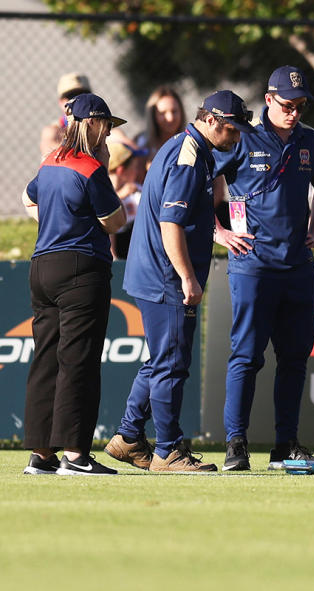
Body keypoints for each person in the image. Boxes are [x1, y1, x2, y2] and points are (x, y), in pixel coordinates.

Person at [105, 90, 255, 473]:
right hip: (166, 276)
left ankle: (127, 436)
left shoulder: (186, 147)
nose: (237, 137)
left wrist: (217, 232)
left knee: (161, 360)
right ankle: (168, 451)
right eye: (232, 130)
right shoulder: (189, 159)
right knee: (172, 364)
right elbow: (170, 223)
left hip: (154, 271)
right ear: (211, 121)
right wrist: (187, 278)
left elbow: (188, 214)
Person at [211, 65, 314, 471]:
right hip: (252, 265)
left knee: (295, 359)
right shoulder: (241, 137)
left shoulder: (310, 140)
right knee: (246, 356)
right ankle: (236, 444)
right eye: (287, 105)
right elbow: (199, 183)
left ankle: (285, 445)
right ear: (268, 100)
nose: (294, 112)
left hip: (298, 266)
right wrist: (220, 233)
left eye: (300, 106)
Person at [21, 93, 127, 475]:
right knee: (77, 361)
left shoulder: (50, 161)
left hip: (42, 265)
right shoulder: (90, 167)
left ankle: (42, 455)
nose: (109, 133)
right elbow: (115, 221)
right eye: (107, 125)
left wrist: (56, 224)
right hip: (81, 268)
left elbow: (27, 198)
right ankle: (76, 455)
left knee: (46, 359)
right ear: (93, 123)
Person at [106, 140, 147, 260]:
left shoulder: (136, 190)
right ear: (120, 170)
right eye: (134, 168)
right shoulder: (102, 192)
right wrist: (121, 196)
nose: (137, 172)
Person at [39, 72, 92, 157]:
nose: (77, 100)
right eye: (72, 97)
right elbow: (48, 150)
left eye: (83, 96)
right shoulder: (54, 131)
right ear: (61, 102)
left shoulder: (100, 128)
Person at [137, 86, 187, 164]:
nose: (170, 118)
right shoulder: (143, 143)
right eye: (162, 113)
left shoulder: (188, 143)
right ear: (153, 115)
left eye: (174, 111)